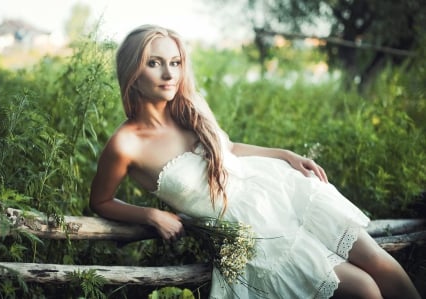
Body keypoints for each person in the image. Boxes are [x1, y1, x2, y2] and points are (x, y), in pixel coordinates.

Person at [89, 24, 421, 299]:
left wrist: (287, 156)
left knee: (379, 262)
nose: (169, 73)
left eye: (176, 62)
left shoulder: (190, 106)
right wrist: (151, 214)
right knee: (365, 290)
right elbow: (101, 201)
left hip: (279, 191)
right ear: (133, 71)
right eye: (154, 63)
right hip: (250, 231)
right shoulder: (125, 143)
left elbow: (228, 148)